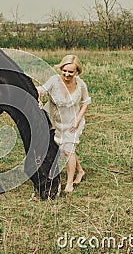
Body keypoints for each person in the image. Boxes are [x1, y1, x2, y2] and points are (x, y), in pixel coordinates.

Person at [37, 54, 91, 193]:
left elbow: (85, 103)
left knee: (68, 150)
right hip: (56, 122)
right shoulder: (54, 81)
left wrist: (77, 121)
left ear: (77, 71)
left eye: (71, 72)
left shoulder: (80, 84)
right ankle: (80, 171)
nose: (67, 74)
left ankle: (69, 184)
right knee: (66, 149)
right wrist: (39, 100)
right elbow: (40, 90)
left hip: (73, 122)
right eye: (64, 70)